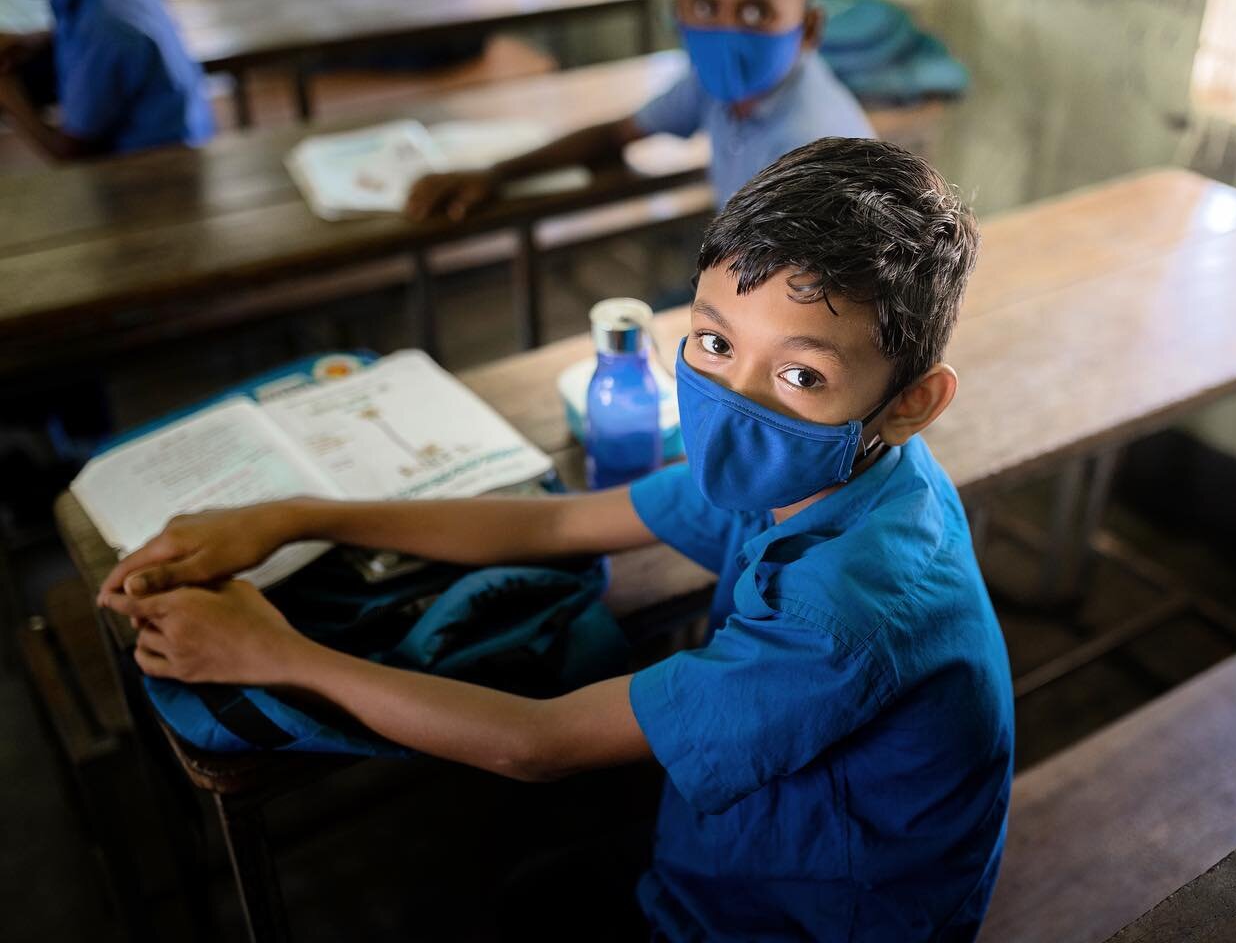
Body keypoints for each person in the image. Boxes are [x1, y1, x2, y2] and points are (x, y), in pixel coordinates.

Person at [100, 137, 1013, 941]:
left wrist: (279, 653)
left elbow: (534, 745)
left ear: (910, 404)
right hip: (753, 856)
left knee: (515, 893)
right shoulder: (807, 460)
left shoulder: (844, 610)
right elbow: (558, 520)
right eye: (712, 342)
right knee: (537, 888)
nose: (735, 400)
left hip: (808, 917)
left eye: (802, 372)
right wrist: (297, 515)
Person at [404, 0, 873, 221]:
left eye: (755, 12)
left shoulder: (812, 146)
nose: (727, 32)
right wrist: (495, 174)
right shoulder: (718, 84)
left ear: (808, 29)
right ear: (679, 12)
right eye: (706, 8)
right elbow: (616, 134)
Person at [0, 0, 212, 160]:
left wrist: (10, 98)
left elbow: (72, 154)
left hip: (156, 169)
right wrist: (40, 40)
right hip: (191, 133)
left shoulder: (103, 30)